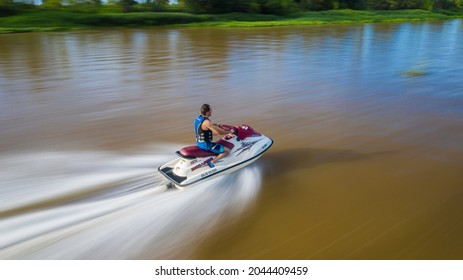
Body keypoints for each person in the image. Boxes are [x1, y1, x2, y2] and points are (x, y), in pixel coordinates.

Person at [195, 104, 231, 168]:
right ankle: (213, 161)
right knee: (227, 151)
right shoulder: (207, 122)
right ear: (207, 112)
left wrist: (217, 125)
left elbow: (206, 127)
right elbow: (219, 132)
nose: (212, 111)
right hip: (206, 145)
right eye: (210, 109)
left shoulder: (198, 118)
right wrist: (229, 132)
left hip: (199, 143)